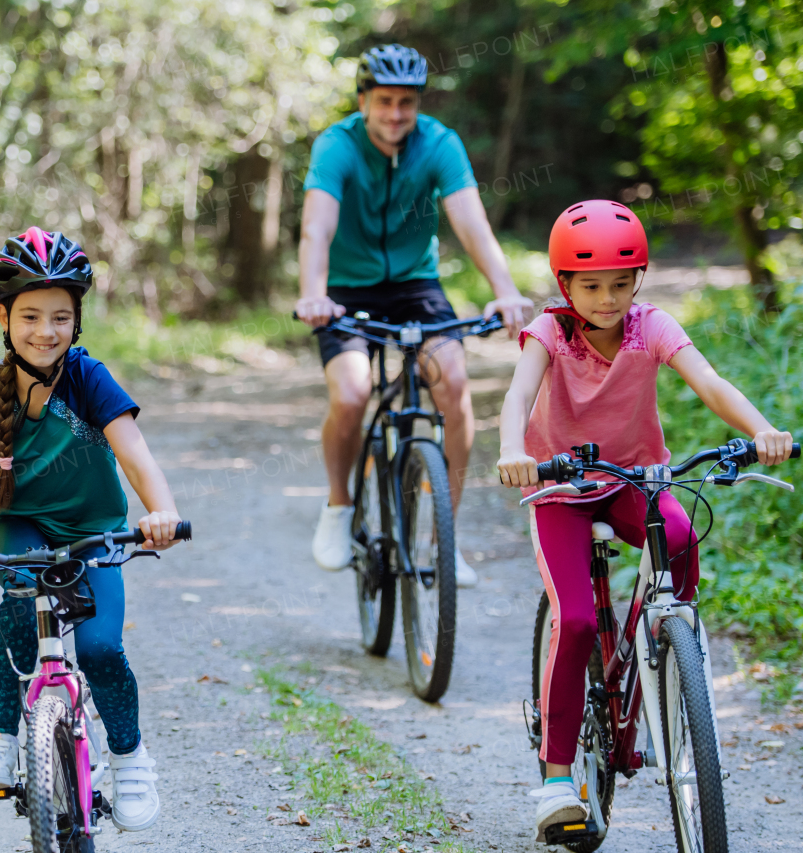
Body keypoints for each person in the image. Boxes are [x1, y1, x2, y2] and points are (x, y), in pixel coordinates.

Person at [495, 199, 792, 842]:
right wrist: (513, 450)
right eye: (592, 286)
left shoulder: (650, 326)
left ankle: (668, 654)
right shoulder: (549, 333)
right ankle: (555, 776)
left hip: (636, 478)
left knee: (681, 536)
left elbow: (708, 381)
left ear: (639, 281)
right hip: (563, 489)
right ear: (564, 285)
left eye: (621, 284)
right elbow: (519, 393)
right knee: (575, 619)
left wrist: (762, 430)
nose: (608, 299)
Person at [0, 228, 181, 833]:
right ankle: (0, 737)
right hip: (16, 524)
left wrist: (159, 511)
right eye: (29, 315)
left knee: (101, 648)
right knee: (20, 606)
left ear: (77, 321)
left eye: (59, 317)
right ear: (3, 316)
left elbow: (135, 455)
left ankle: (129, 759)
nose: (44, 331)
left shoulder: (88, 378)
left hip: (94, 528)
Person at [296, 44, 534, 586]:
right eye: (384, 101)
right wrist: (313, 292)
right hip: (343, 289)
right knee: (353, 393)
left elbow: (472, 223)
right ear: (364, 100)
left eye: (406, 102)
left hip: (415, 285)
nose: (396, 114)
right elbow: (317, 228)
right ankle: (338, 508)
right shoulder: (336, 145)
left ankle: (441, 539)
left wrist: (505, 290)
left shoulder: (439, 143)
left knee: (452, 383)